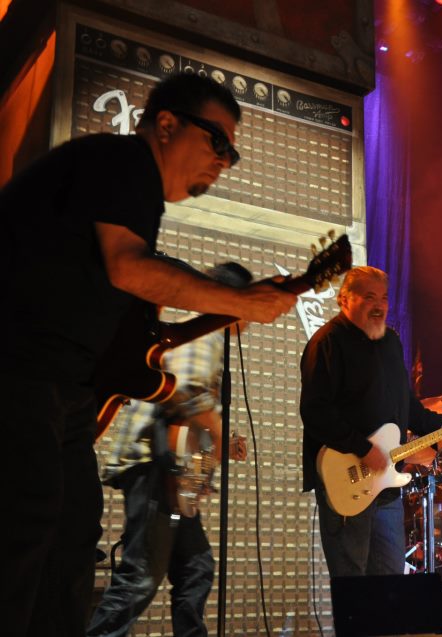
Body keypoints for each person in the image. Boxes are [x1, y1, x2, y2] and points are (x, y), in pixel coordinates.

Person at [0, 72, 297, 637]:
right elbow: (129, 267)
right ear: (167, 124)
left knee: (67, 536)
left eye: (232, 151)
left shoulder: (132, 192)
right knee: (28, 531)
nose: (226, 161)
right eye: (219, 142)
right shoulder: (125, 163)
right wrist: (239, 299)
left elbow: (126, 335)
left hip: (61, 388)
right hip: (19, 370)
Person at [87, 262, 253, 637]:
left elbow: (190, 422)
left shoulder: (209, 342)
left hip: (175, 480)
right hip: (157, 471)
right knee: (141, 577)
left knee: (195, 569)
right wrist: (221, 433)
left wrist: (218, 446)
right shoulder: (206, 338)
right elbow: (185, 392)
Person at [299, 266, 442, 576]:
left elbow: (408, 407)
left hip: (387, 487)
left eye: (384, 298)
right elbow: (315, 412)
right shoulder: (327, 342)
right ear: (343, 300)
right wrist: (362, 448)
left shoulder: (390, 343)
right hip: (347, 480)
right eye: (369, 297)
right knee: (354, 584)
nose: (379, 305)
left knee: (390, 582)